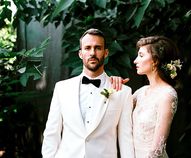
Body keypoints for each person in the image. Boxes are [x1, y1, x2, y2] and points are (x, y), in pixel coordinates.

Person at [41, 28, 135, 158]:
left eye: (98, 48)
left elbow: (126, 138)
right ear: (80, 54)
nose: (92, 52)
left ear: (106, 52)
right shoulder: (62, 89)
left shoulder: (123, 92)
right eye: (87, 48)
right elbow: (52, 133)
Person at [112, 35, 182, 158]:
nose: (135, 61)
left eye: (141, 55)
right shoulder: (140, 92)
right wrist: (115, 89)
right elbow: (117, 114)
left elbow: (157, 148)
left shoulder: (167, 95)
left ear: (155, 60)